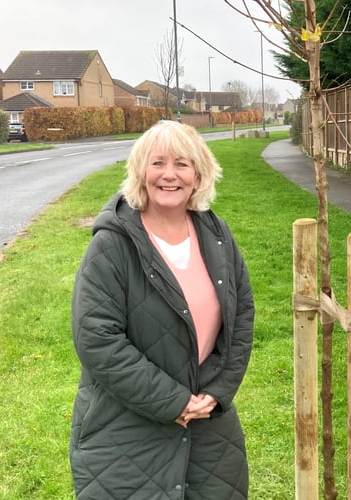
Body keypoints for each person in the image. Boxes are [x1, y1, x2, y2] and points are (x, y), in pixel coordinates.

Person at [69, 120, 254, 499]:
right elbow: (97, 339)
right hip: (124, 427)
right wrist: (172, 401)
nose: (170, 175)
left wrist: (217, 393)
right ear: (140, 172)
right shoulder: (112, 245)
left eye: (182, 164)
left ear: (199, 174)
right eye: (158, 163)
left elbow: (241, 319)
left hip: (208, 422)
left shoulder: (217, 236)